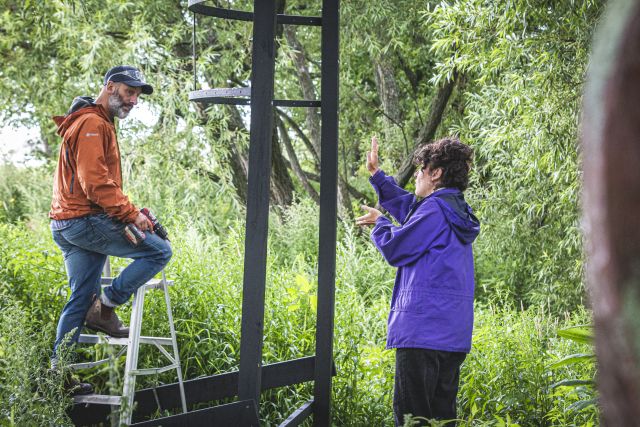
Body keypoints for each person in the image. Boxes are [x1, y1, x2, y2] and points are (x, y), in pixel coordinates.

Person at [49, 65, 172, 394]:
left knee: (78, 301)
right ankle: (106, 309)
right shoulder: (92, 124)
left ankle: (60, 380)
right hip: (82, 220)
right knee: (160, 250)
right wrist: (131, 215)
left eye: (136, 95)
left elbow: (95, 184)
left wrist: (130, 212)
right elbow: (96, 184)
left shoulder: (93, 121)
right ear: (109, 86)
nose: (133, 100)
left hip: (65, 223)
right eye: (129, 92)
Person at [356, 136, 480, 425]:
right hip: (451, 336)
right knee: (442, 419)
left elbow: (397, 248)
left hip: (422, 332)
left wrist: (380, 223)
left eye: (421, 168)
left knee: (413, 419)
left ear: (436, 173)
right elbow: (412, 210)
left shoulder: (435, 210)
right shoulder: (454, 209)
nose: (416, 174)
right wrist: (377, 174)